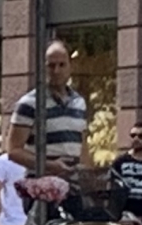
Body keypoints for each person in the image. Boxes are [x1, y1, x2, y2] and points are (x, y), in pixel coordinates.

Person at [7, 39, 88, 171]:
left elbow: (82, 145)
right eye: (51, 65)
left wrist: (86, 172)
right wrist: (49, 165)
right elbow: (13, 151)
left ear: (70, 66)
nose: (56, 71)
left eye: (62, 65)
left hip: (73, 185)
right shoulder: (29, 103)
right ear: (43, 67)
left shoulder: (79, 103)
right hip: (40, 186)